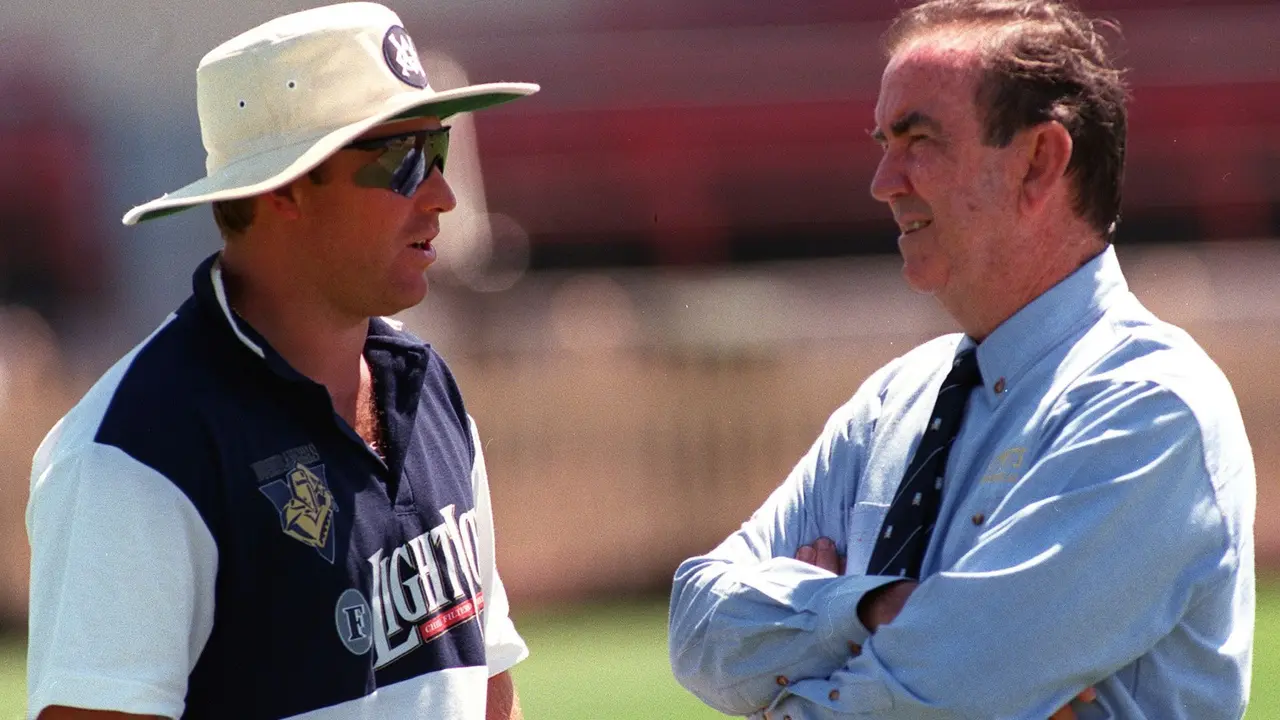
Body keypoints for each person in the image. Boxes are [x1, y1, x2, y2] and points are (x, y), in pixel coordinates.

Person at [668, 1, 1255, 718]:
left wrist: (797, 652)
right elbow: (696, 628)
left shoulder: (1149, 404)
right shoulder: (897, 398)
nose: (884, 181)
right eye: (883, 141)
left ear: (1040, 161)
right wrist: (865, 608)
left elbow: (938, 703)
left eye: (918, 139)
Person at [25, 4, 538, 719]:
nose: (443, 196)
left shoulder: (428, 389)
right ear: (284, 188)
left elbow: (488, 692)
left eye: (439, 148)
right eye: (402, 159)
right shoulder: (133, 454)